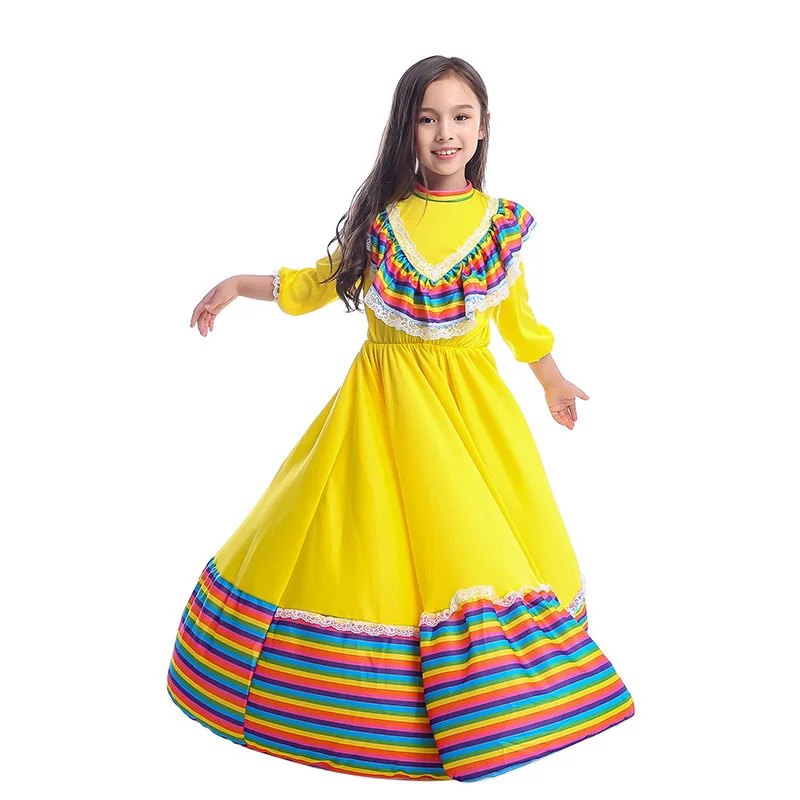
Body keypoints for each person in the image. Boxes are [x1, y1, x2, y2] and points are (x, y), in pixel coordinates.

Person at [167, 55, 635, 783]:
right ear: (405, 130)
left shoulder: (500, 227)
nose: (445, 133)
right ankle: (354, 706)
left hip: (468, 422)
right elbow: (315, 284)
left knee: (472, 543)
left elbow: (519, 322)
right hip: (379, 415)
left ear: (483, 126)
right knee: (361, 541)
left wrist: (551, 381)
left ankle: (495, 705)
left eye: (460, 117)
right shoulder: (383, 223)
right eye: (427, 118)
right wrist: (238, 284)